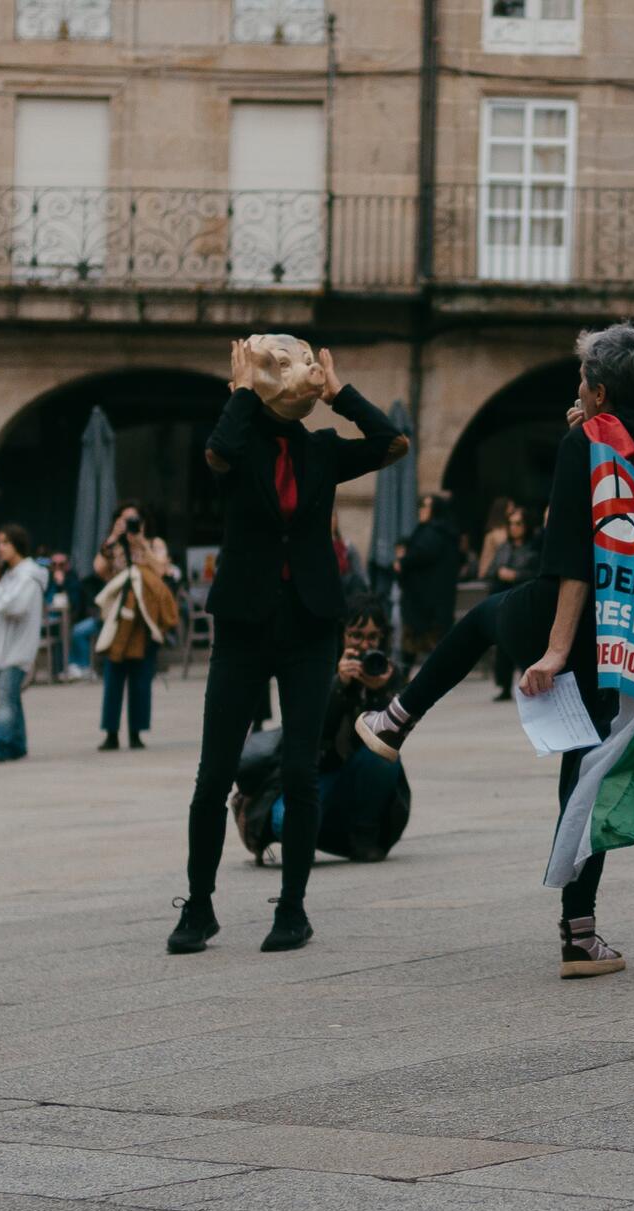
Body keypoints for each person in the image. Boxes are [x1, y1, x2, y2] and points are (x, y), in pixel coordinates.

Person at [356, 322, 634, 979]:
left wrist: (553, 649)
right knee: (588, 768)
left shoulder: (584, 444)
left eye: (582, 384)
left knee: (484, 619)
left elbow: (570, 554)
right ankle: (580, 930)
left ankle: (397, 717)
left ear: (596, 391)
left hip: (567, 615)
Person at [171, 335, 408, 956]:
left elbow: (392, 443)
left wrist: (338, 393)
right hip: (244, 627)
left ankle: (293, 909)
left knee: (301, 770)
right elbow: (219, 452)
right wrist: (245, 392)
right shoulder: (239, 442)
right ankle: (198, 907)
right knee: (212, 773)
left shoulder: (324, 453)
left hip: (309, 627)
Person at [233, 603, 414, 865]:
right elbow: (310, 730)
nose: (364, 644)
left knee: (383, 755)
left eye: (372, 637)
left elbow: (392, 734)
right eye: (356, 635)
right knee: (287, 823)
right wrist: (339, 686)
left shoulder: (385, 671)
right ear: (342, 635)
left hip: (356, 778)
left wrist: (378, 693)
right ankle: (274, 824)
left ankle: (363, 837)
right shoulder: (321, 666)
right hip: (314, 774)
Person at [92, 514, 179, 752]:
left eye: (134, 521)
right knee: (113, 678)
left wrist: (141, 543)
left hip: (145, 619)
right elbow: (99, 569)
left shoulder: (154, 544)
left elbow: (162, 570)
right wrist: (113, 538)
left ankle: (136, 732)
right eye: (124, 520)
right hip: (119, 618)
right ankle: (111, 732)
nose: (130, 527)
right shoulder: (115, 546)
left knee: (141, 678)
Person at [0, 523, 47, 766]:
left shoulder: (27, 577)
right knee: (11, 698)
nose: (0, 548)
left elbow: (11, 607)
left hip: (16, 649)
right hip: (4, 647)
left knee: (6, 699)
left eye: (5, 542)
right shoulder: (11, 574)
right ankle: (16, 744)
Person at [396, 494, 461, 668]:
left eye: (426, 507)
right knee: (433, 644)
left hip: (423, 601)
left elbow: (420, 555)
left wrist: (403, 561)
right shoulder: (445, 532)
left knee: (417, 642)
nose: (422, 511)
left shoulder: (432, 532)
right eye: (422, 506)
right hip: (434, 601)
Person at [483, 506, 539, 702]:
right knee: (503, 647)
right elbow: (490, 570)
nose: (514, 528)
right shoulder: (504, 547)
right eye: (511, 524)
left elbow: (538, 574)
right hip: (504, 600)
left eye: (518, 523)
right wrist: (499, 573)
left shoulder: (534, 547)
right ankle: (504, 685)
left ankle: (531, 683)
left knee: (527, 646)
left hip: (526, 602)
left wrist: (516, 575)